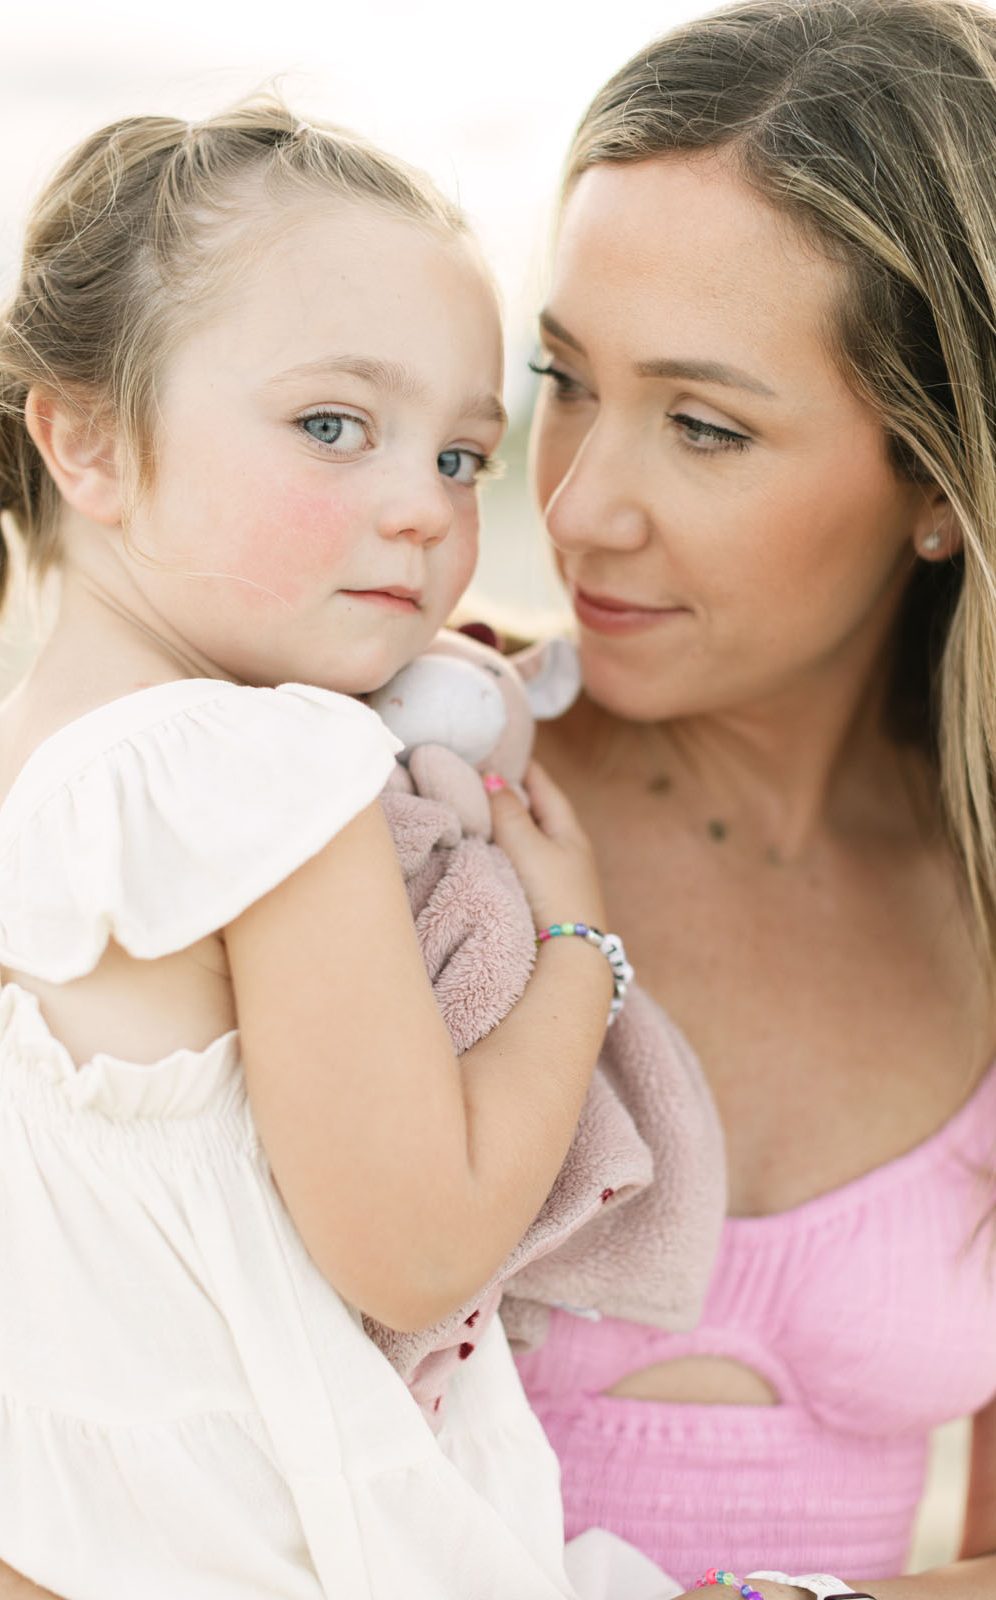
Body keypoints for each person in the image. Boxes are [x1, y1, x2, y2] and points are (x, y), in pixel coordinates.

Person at [0, 99, 625, 1599]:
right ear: (89, 441)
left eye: (459, 456)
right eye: (332, 427)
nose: (424, 512)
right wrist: (578, 950)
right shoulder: (259, 773)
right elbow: (420, 1241)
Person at [512, 0, 996, 1595]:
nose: (581, 508)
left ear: (936, 483)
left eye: (703, 425)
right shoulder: (411, 810)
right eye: (562, 379)